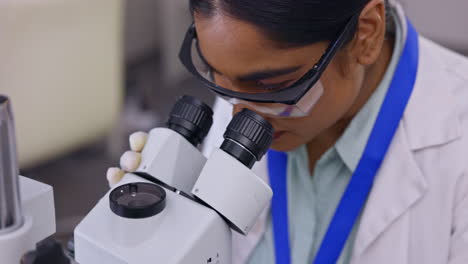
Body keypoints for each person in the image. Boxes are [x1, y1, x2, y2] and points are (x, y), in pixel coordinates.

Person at [107, 0, 468, 263]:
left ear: (366, 35)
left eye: (271, 83)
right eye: (215, 72)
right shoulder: (246, 88)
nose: (237, 113)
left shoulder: (457, 140)